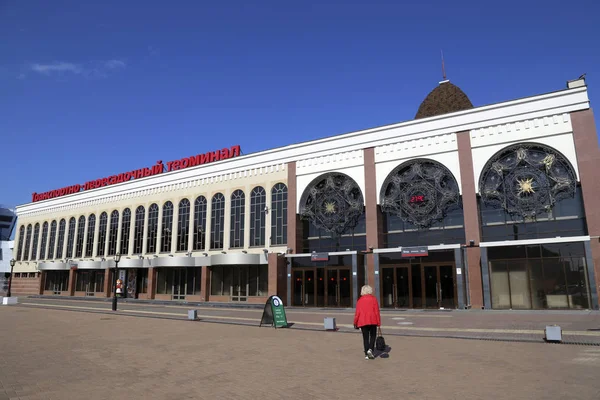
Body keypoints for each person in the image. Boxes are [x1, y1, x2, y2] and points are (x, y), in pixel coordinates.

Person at [353, 285, 381, 359]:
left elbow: (357, 313)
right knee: (373, 336)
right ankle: (370, 349)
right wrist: (378, 322)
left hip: (363, 321)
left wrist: (355, 322)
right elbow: (377, 312)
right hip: (373, 320)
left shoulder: (359, 300)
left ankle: (366, 354)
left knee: (365, 338)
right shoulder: (374, 299)